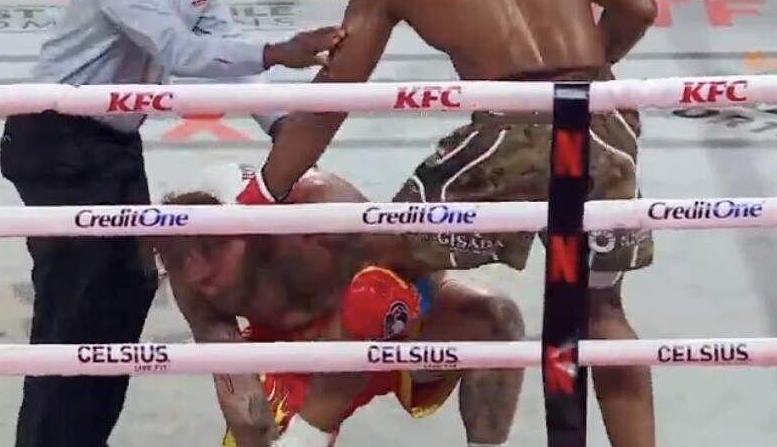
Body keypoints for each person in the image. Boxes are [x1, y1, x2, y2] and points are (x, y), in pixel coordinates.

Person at [234, 0, 660, 447]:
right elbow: (639, 7)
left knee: (378, 258)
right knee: (602, 310)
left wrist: (263, 194)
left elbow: (331, 100)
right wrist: (582, 77)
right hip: (602, 119)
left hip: (510, 131)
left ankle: (306, 436)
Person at [0, 0, 344, 447]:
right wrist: (279, 50)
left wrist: (282, 125)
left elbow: (221, 48)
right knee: (75, 310)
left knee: (128, 292)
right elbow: (178, 51)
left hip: (112, 142)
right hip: (54, 141)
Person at [154, 164, 525, 447]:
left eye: (209, 248)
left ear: (248, 230)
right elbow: (236, 386)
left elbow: (423, 264)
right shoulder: (192, 279)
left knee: (494, 320)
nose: (197, 270)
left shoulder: (319, 212)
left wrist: (384, 318)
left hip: (384, 325)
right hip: (286, 356)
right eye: (180, 257)